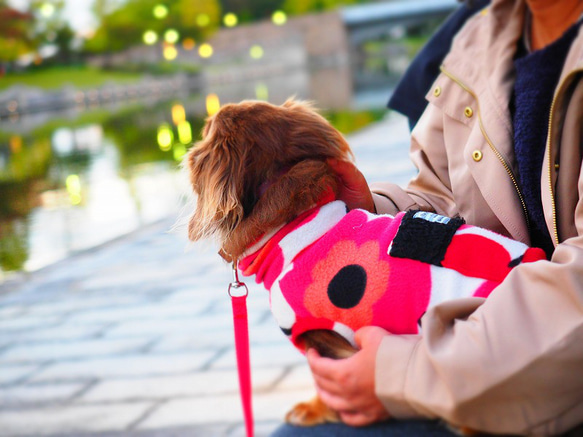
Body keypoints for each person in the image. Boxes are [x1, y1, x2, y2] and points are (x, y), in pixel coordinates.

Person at [273, 0, 583, 435]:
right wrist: (368, 217)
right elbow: (443, 196)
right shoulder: (482, 38)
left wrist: (401, 374)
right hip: (494, 343)